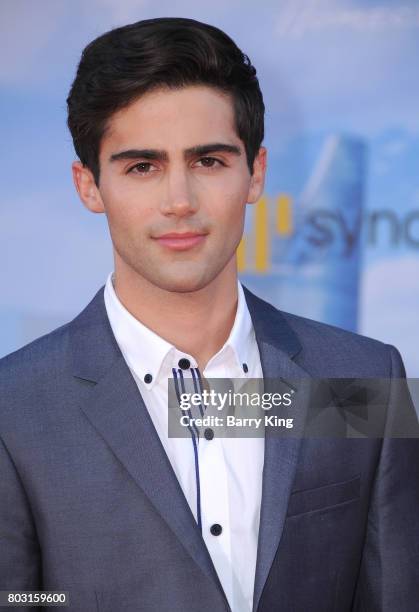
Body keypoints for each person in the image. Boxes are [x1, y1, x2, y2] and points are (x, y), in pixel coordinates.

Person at [0, 16, 418, 612]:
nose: (179, 201)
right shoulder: (12, 408)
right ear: (89, 186)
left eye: (209, 162)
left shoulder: (366, 378)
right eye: (142, 166)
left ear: (257, 173)